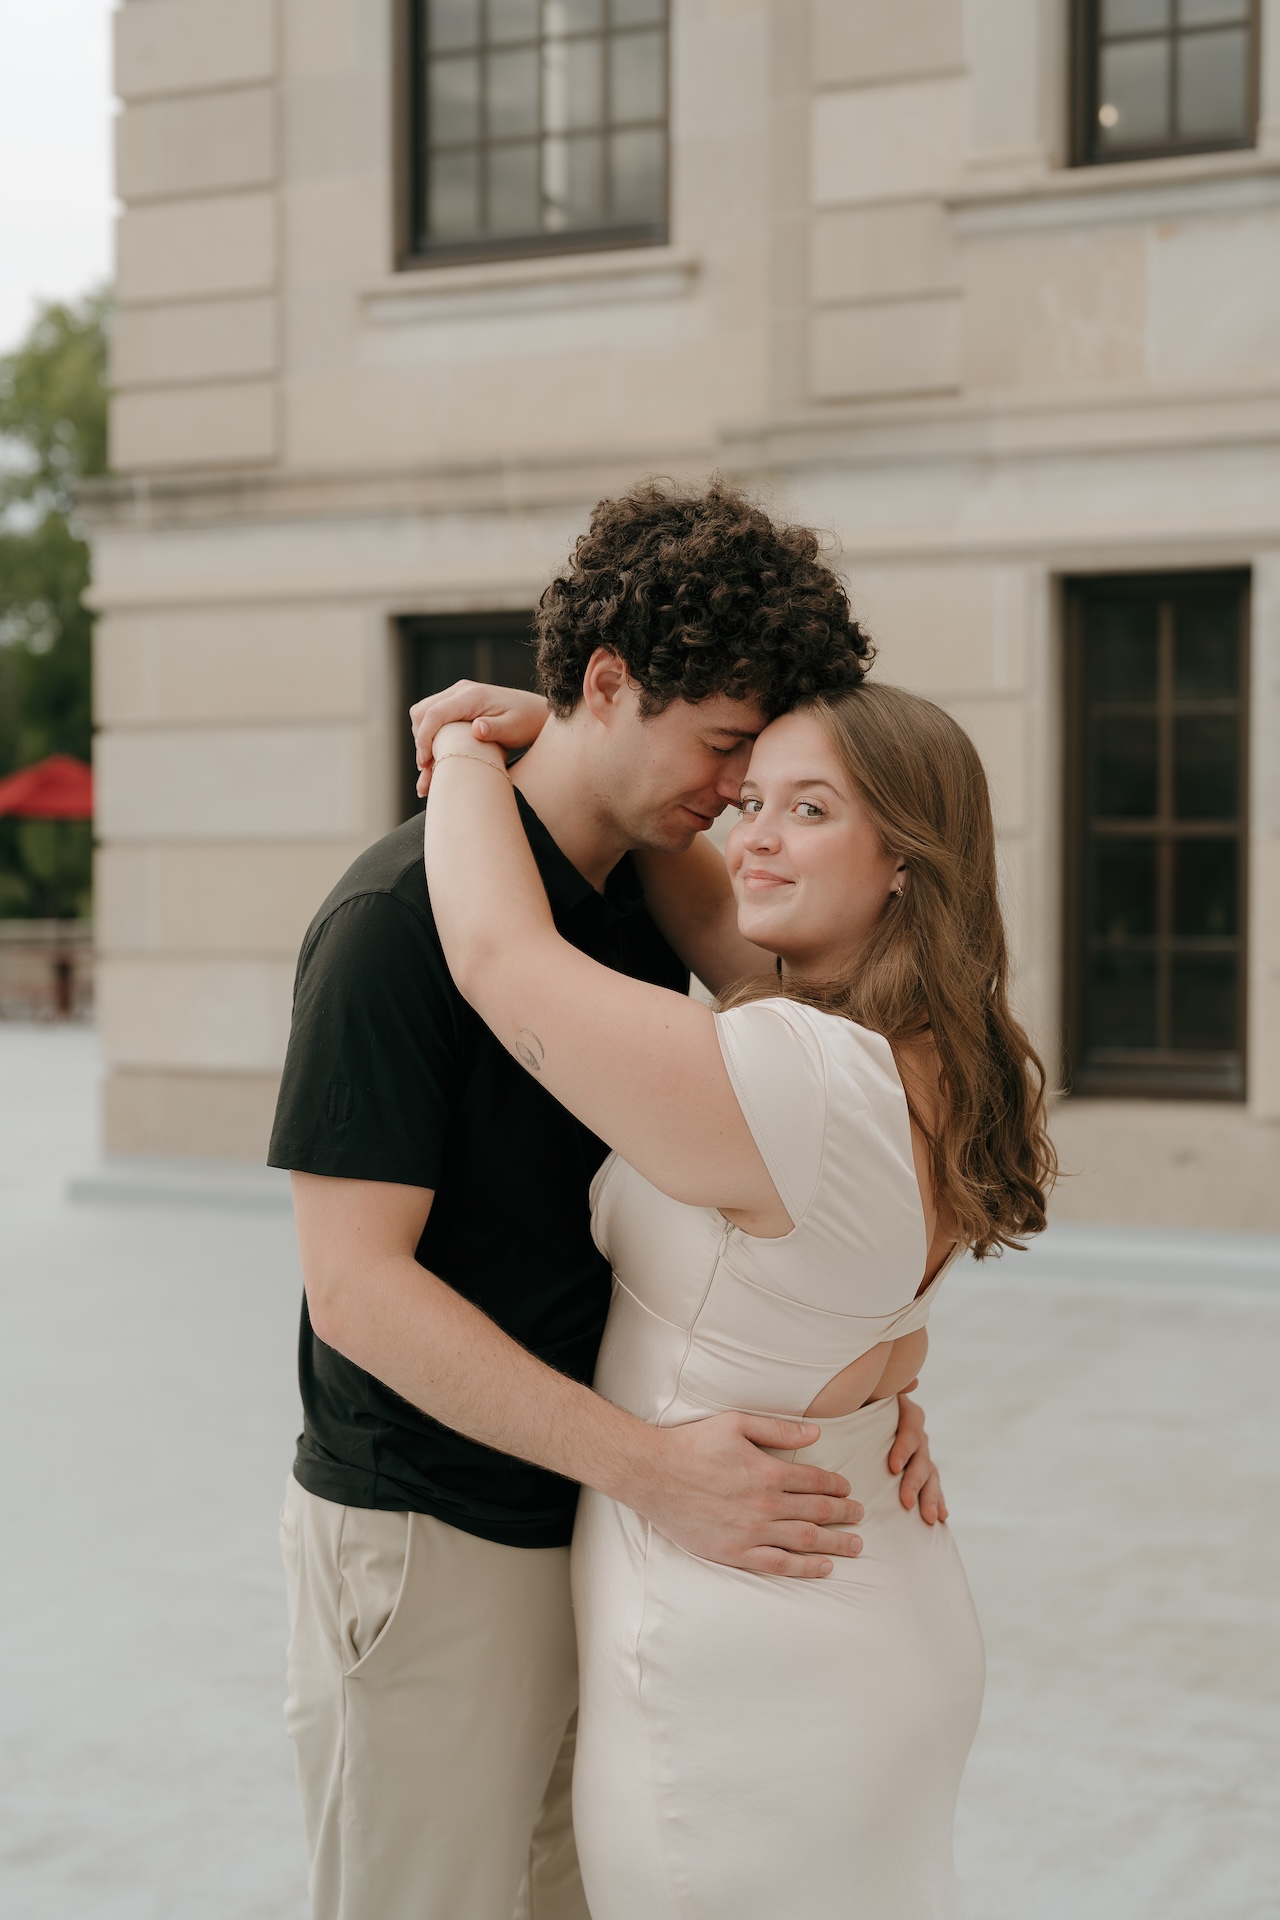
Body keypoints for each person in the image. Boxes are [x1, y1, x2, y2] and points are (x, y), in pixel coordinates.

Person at [268, 481, 947, 1920]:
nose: (735, 799)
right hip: (440, 1528)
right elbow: (358, 1290)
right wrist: (651, 1467)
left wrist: (870, 1373)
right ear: (605, 681)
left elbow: (827, 1159)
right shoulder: (391, 927)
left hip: (610, 1529)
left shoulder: (660, 898)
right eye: (721, 752)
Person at [419, 677, 1057, 1919]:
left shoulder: (795, 1074)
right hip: (868, 1598)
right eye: (746, 796)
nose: (748, 835)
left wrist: (463, 744)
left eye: (807, 809)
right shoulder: (935, 1049)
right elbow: (706, 887)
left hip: (742, 1656)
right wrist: (884, 1382)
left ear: (903, 868)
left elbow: (498, 955)